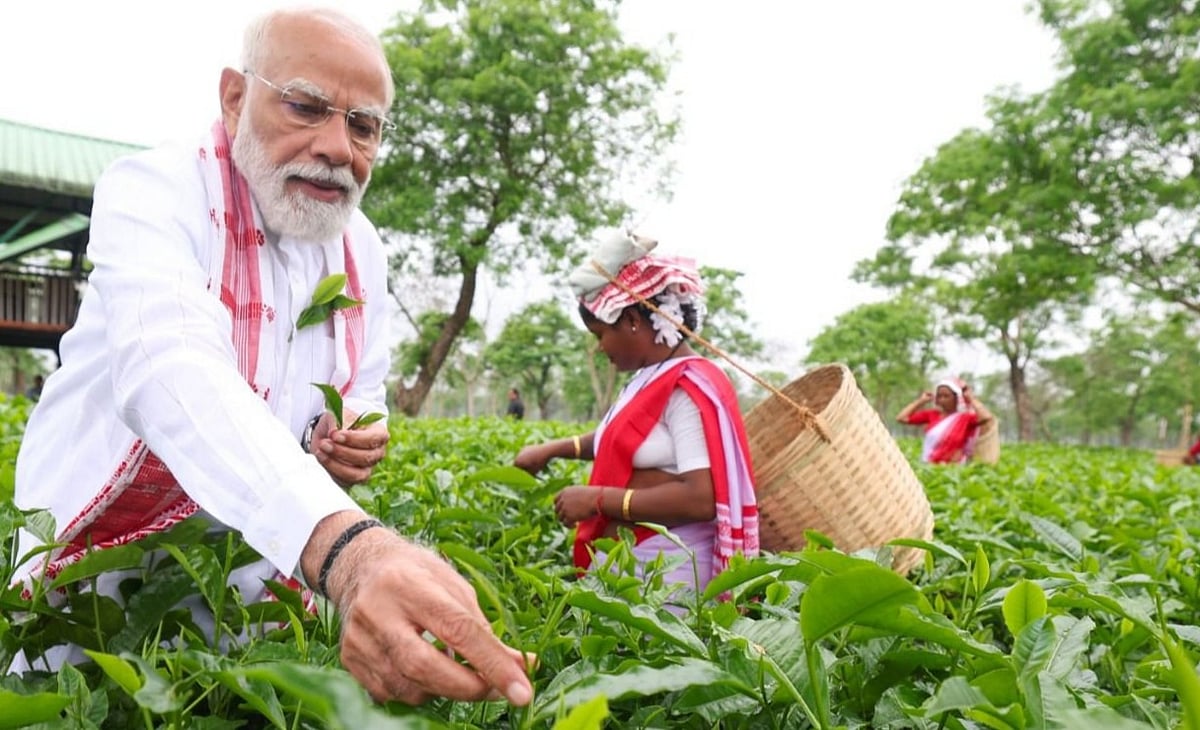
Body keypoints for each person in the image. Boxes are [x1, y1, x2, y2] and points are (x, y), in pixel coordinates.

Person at [10, 7, 532, 707]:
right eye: (306, 106)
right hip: (101, 581)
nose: (337, 147)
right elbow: (170, 363)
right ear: (234, 97)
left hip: (255, 587)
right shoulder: (157, 191)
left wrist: (359, 435)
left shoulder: (361, 247)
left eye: (363, 125)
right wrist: (351, 551)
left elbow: (364, 382)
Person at [513, 231, 758, 601]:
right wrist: (551, 450)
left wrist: (597, 500)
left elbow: (700, 499)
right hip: (638, 574)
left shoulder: (685, 387)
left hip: (671, 583)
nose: (599, 348)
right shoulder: (649, 379)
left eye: (600, 334)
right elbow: (621, 441)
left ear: (629, 319)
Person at [896, 377, 995, 464]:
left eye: (946, 396)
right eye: (939, 396)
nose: (942, 400)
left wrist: (971, 399)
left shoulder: (965, 418)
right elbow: (901, 418)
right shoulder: (931, 415)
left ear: (956, 398)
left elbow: (986, 417)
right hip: (929, 465)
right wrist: (921, 401)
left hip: (953, 468)